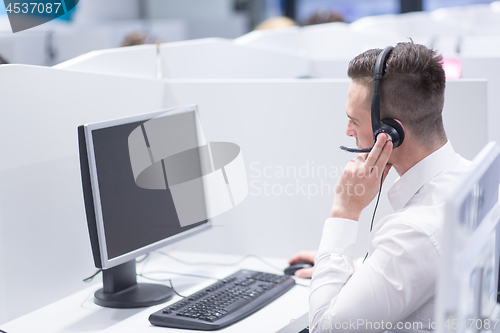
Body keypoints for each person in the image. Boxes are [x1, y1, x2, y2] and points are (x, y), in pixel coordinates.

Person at [289, 41, 472, 332]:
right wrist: (350, 269)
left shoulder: (415, 233)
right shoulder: (467, 176)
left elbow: (324, 328)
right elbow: (419, 274)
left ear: (390, 133)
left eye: (353, 120)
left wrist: (344, 211)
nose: (348, 131)